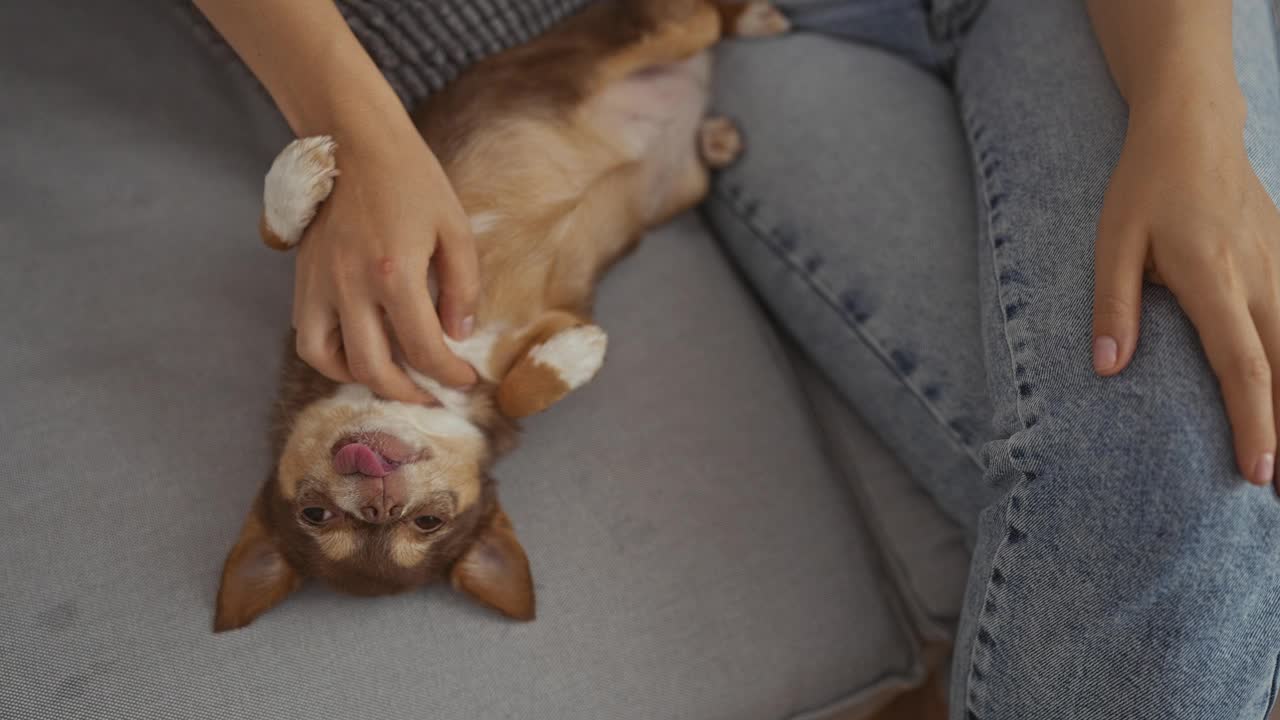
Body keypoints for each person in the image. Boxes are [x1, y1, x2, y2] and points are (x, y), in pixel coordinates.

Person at [195, 0, 1280, 717]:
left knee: (1198, 451)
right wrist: (353, 129)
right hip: (766, 43)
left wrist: (1190, 120)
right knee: (1188, 461)